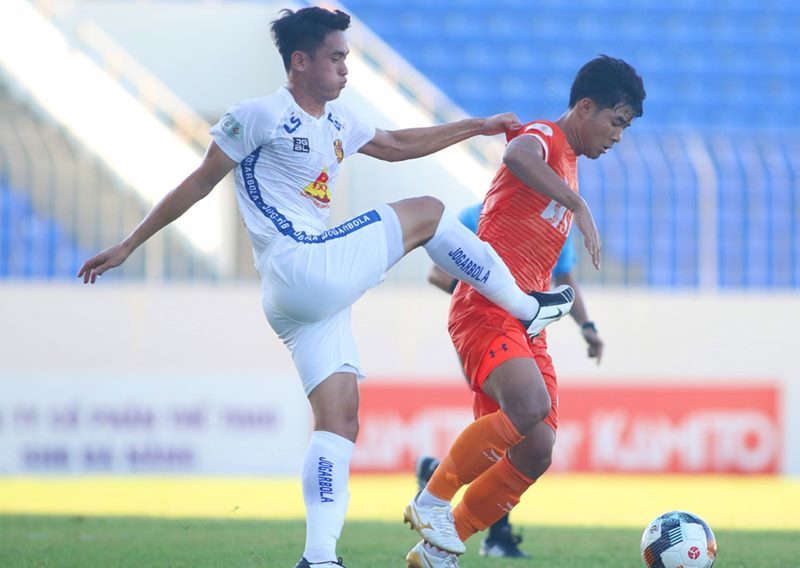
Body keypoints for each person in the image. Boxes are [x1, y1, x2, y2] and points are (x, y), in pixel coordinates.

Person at [76, 7, 577, 568]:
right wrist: (130, 243)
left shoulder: (339, 122)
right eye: (335, 58)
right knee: (431, 213)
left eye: (346, 58)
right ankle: (525, 308)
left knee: (339, 421)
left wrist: (476, 125)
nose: (345, 69)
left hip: (302, 300)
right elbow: (199, 182)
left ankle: (319, 557)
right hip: (302, 264)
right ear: (300, 61)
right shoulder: (258, 115)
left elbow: (396, 144)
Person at [404, 55, 645, 568]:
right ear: (585, 107)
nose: (619, 136)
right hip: (486, 308)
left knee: (538, 449)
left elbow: (560, 274)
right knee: (530, 405)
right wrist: (577, 205)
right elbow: (516, 153)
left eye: (625, 127)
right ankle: (431, 499)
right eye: (616, 121)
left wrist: (585, 324)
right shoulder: (546, 137)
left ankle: (438, 551)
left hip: (529, 324)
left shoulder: (570, 167)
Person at [419, 204, 604, 559]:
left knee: (532, 445)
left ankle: (445, 536)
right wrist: (493, 293)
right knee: (512, 424)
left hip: (529, 336)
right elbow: (437, 274)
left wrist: (587, 326)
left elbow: (564, 280)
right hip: (486, 325)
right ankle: (459, 514)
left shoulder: (558, 221)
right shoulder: (478, 216)